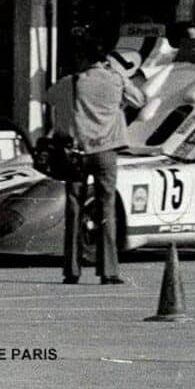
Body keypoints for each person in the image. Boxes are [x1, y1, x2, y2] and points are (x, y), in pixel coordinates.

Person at [45, 33, 144, 285]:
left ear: (83, 57)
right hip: (106, 152)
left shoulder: (71, 82)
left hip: (76, 154)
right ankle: (109, 270)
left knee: (74, 208)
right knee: (106, 207)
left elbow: (49, 97)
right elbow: (139, 100)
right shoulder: (115, 80)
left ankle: (72, 269)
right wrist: (120, 75)